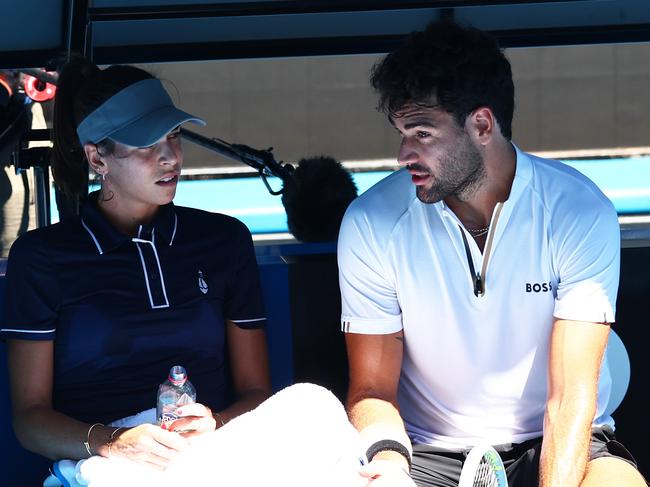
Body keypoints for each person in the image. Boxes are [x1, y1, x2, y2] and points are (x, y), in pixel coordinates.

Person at [337, 21, 646, 487]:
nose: (403, 153)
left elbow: (570, 397)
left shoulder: (578, 210)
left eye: (422, 133)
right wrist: (392, 465)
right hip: (425, 454)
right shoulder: (370, 221)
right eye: (401, 132)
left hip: (556, 444)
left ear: (482, 124)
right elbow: (372, 390)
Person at [0, 57, 272, 470]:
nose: (170, 156)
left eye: (174, 135)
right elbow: (30, 420)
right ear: (97, 157)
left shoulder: (225, 239)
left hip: (219, 458)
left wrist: (216, 424)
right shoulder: (41, 258)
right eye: (147, 143)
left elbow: (257, 394)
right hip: (98, 466)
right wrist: (115, 443)